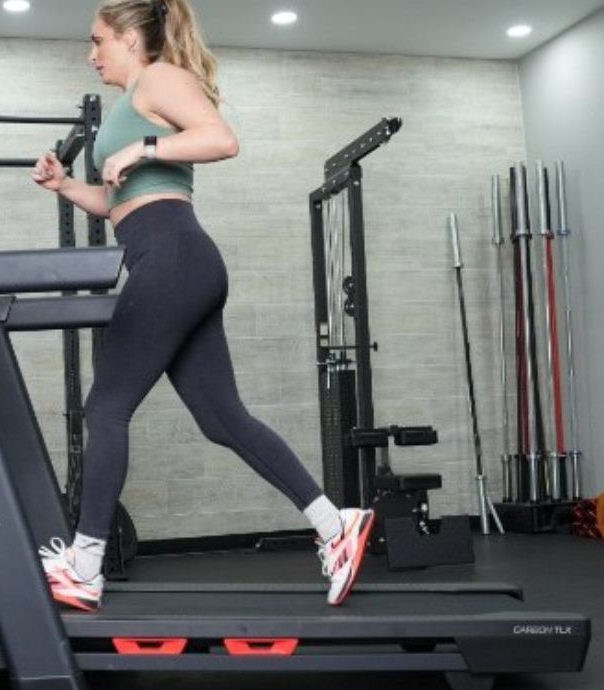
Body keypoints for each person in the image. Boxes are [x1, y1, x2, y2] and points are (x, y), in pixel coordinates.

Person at [31, 0, 373, 611]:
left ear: (132, 39)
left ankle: (84, 565)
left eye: (97, 41)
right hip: (172, 259)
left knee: (105, 408)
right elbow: (118, 205)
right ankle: (334, 523)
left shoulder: (160, 78)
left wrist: (142, 149)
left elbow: (220, 139)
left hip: (173, 258)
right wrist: (65, 186)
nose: (91, 54)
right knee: (222, 419)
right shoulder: (133, 99)